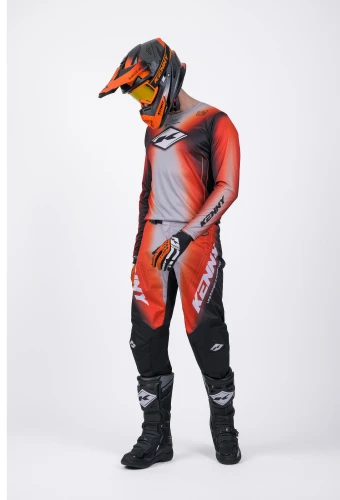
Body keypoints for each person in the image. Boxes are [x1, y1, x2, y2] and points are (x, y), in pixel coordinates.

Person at [99, 38, 241, 468]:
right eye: (134, 95)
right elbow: (147, 191)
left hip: (197, 242)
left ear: (165, 78)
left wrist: (186, 236)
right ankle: (156, 436)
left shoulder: (215, 122)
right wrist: (137, 250)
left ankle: (224, 427)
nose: (141, 101)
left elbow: (227, 188)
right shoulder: (152, 130)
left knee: (207, 335)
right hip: (152, 242)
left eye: (143, 89)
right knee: (144, 338)